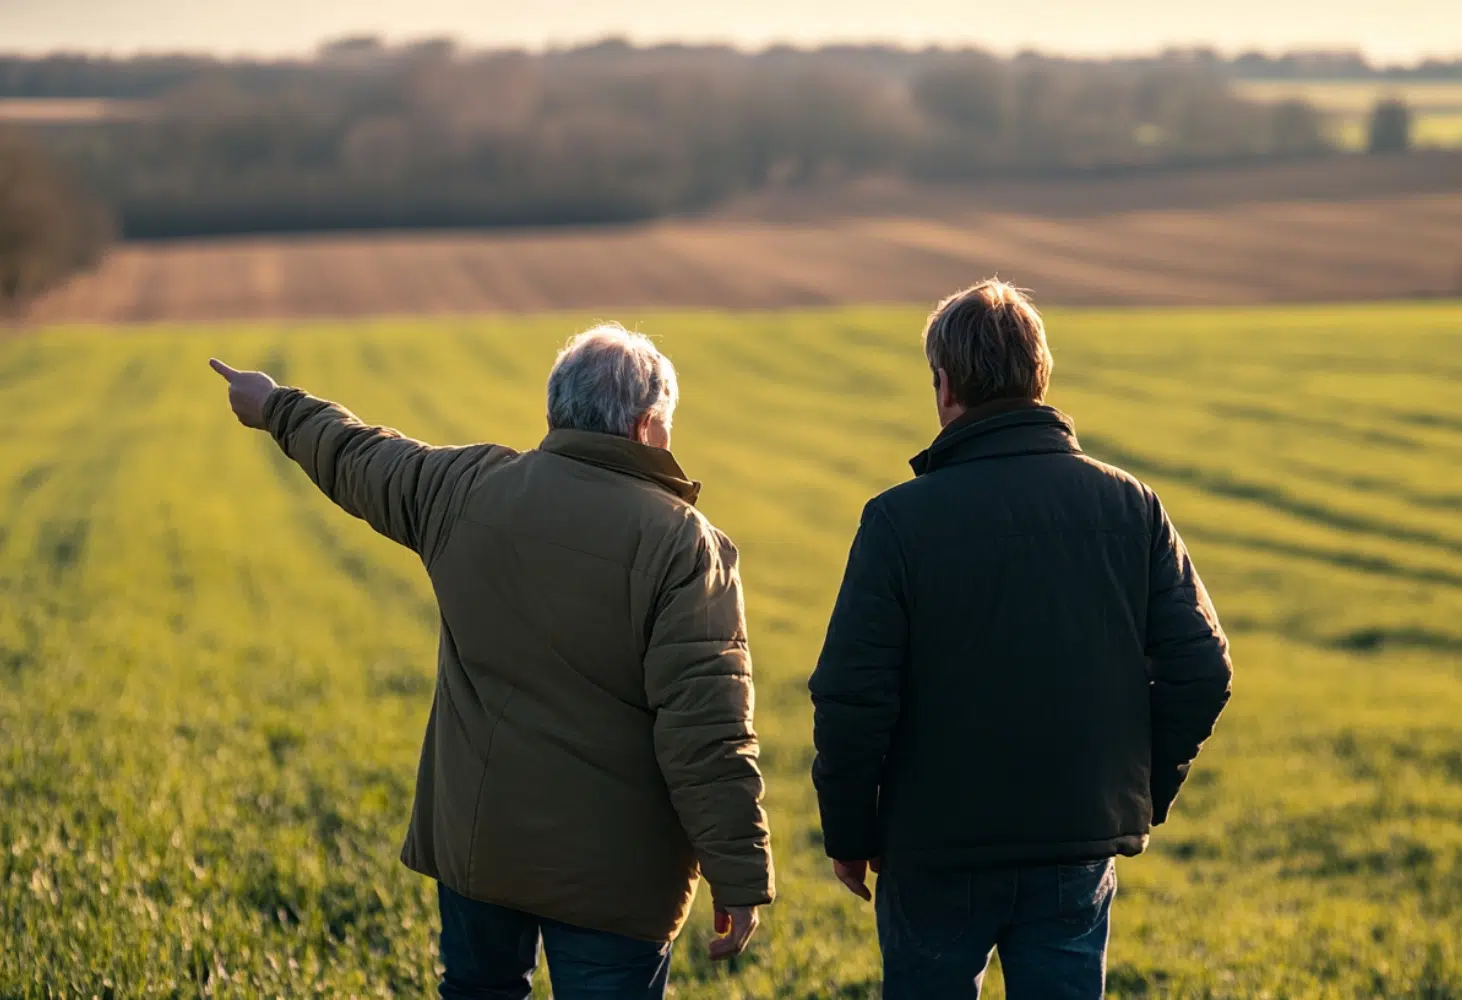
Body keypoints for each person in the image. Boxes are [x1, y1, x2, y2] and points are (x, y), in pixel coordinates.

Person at [210, 324, 774, 1000]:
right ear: (648, 425)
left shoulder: (465, 487)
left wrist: (275, 406)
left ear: (555, 412)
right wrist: (738, 874)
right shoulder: (686, 548)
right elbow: (707, 732)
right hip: (614, 881)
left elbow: (357, 453)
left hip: (481, 853)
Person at [808, 280, 1232, 999]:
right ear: (1041, 376)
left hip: (933, 852)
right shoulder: (1131, 505)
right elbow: (1202, 670)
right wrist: (1136, 790)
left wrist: (850, 834)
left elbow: (854, 697)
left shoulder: (897, 522)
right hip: (1075, 845)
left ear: (945, 387)